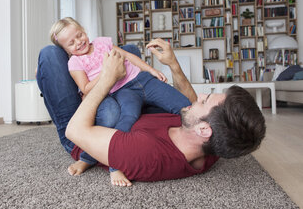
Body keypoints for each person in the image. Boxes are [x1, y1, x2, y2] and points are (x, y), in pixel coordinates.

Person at [63, 38, 266, 187]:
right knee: (130, 50)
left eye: (205, 100)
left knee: (51, 56)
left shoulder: (145, 152)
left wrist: (107, 78)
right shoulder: (217, 140)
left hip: (89, 126)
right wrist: (172, 64)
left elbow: (75, 130)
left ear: (204, 129)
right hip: (137, 103)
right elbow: (190, 103)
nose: (200, 96)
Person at [48, 17, 192, 184]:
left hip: (142, 79)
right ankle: (114, 165)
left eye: (79, 35)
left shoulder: (102, 43)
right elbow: (86, 88)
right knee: (126, 119)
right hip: (121, 91)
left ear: (84, 31)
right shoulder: (75, 62)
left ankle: (198, 135)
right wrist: (108, 72)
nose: (79, 42)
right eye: (71, 43)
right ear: (66, 50)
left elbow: (128, 56)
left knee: (183, 105)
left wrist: (151, 70)